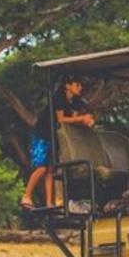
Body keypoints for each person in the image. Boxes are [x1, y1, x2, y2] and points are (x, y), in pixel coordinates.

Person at [22, 75, 96, 209]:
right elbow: (61, 119)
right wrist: (82, 118)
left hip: (54, 136)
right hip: (43, 134)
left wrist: (85, 120)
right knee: (41, 168)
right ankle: (27, 195)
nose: (80, 88)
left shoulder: (75, 101)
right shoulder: (59, 98)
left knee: (51, 169)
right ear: (67, 86)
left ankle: (49, 202)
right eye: (77, 85)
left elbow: (73, 119)